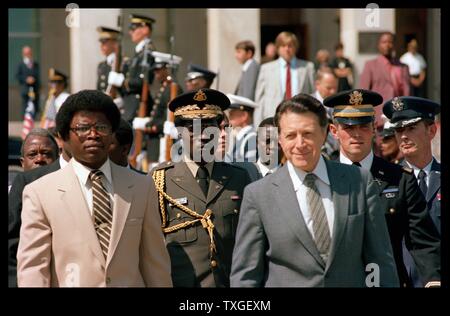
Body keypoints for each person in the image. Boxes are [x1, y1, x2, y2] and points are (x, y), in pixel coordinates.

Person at [230, 93, 399, 287]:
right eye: (291, 135)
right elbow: (245, 277)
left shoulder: (358, 182)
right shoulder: (259, 195)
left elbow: (380, 261)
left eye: (308, 134)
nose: (300, 144)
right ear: (280, 140)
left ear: (325, 133)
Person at [16, 90, 172, 287]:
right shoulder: (40, 193)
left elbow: (155, 265)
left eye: (101, 127)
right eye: (82, 128)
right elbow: (33, 269)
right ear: (64, 137)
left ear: (112, 133)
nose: (93, 134)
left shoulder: (142, 186)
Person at [325, 89, 441, 288]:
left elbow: (422, 240)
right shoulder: (322, 176)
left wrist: (434, 279)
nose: (356, 134)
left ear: (373, 129)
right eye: (348, 127)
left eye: (363, 126)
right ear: (334, 131)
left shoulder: (400, 178)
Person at [149, 88, 252, 287]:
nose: (203, 136)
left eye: (210, 127)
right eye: (193, 129)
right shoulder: (160, 180)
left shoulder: (239, 178)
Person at [384, 96, 441, 288]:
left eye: (411, 128)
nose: (404, 136)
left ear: (431, 130)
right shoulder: (386, 182)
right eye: (399, 130)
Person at [132, 52, 183, 167]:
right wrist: (147, 122)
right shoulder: (164, 87)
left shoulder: (173, 89)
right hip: (154, 141)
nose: (156, 73)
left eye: (158, 70)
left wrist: (152, 125)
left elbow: (171, 117)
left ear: (168, 69)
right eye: (155, 70)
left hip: (162, 140)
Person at [255, 31, 315, 127]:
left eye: (290, 46)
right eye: (283, 46)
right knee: (271, 142)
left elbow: (313, 95)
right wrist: (258, 126)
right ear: (277, 48)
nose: (287, 49)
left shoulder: (307, 67)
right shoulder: (266, 69)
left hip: (300, 119)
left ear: (296, 47)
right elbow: (259, 100)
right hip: (272, 120)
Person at [108, 14, 155, 122]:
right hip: (130, 106)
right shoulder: (139, 53)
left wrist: (122, 81)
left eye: (133, 28)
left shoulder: (147, 53)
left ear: (145, 29)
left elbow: (143, 82)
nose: (130, 32)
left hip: (137, 107)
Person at [359, 32, 410, 134]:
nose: (387, 45)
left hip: (398, 118)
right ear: (379, 45)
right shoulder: (370, 66)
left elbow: (407, 93)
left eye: (390, 42)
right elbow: (363, 94)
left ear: (394, 45)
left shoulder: (403, 67)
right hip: (378, 120)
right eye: (384, 42)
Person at [312, 69, 339, 160]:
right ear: (317, 85)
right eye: (329, 88)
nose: (333, 92)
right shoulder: (307, 104)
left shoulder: (340, 105)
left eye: (335, 88)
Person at [224, 94, 258, 163]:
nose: (229, 117)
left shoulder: (251, 137)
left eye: (232, 114)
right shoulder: (243, 136)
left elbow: (250, 168)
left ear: (244, 116)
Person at [16, 45, 40, 118]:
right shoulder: (20, 64)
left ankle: (33, 121)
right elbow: (17, 76)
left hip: (34, 89)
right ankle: (25, 123)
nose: (28, 54)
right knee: (25, 107)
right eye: (26, 53)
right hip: (25, 90)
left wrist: (34, 80)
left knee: (34, 106)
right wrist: (26, 79)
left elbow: (38, 75)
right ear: (23, 54)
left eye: (29, 52)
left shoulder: (35, 64)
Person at [96, 26, 121, 94]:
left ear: (114, 43)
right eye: (101, 43)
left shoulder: (123, 63)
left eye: (104, 42)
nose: (101, 46)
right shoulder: (101, 65)